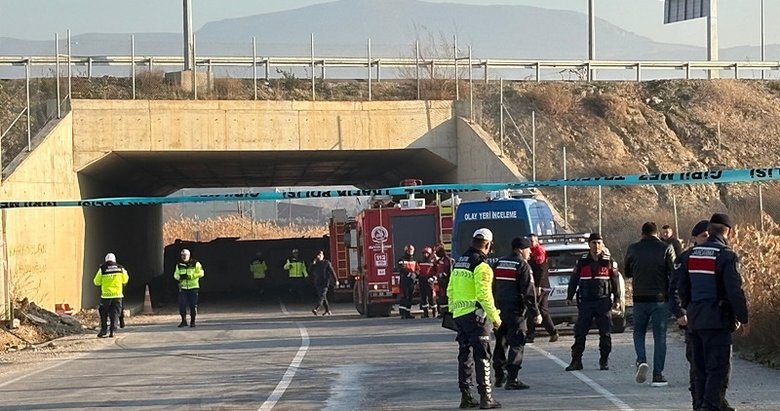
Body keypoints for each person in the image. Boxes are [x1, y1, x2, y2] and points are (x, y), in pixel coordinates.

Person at [678, 213, 749, 411]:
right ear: (729, 232)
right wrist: (743, 318)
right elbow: (734, 291)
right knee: (718, 370)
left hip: (695, 320)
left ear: (709, 230)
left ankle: (700, 405)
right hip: (718, 321)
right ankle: (709, 407)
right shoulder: (726, 255)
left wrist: (689, 309)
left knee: (699, 370)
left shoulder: (689, 255)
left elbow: (681, 288)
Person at [670, 220, 726, 410]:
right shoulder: (686, 258)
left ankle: (717, 401)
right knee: (698, 367)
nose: (707, 239)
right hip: (693, 319)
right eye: (703, 236)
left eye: (708, 235)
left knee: (718, 367)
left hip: (714, 318)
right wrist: (680, 311)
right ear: (695, 238)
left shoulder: (719, 255)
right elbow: (675, 289)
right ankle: (699, 403)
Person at [448, 228, 502, 409]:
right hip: (477, 317)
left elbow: (450, 290)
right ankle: (486, 397)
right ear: (487, 244)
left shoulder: (459, 263)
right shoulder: (482, 266)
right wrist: (495, 318)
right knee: (483, 356)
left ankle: (466, 396)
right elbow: (484, 295)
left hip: (460, 316)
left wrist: (453, 311)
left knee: (465, 355)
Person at [624, 222, 676, 386]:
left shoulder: (633, 249)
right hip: (660, 299)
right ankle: (658, 375)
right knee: (660, 337)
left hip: (639, 298)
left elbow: (627, 272)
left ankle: (641, 360)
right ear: (656, 233)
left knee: (639, 332)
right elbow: (673, 272)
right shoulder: (666, 248)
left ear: (642, 233)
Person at [565, 233, 621, 371]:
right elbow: (574, 279)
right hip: (586, 302)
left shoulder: (609, 261)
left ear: (602, 244)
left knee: (605, 332)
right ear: (589, 245)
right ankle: (576, 361)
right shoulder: (582, 261)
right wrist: (569, 296)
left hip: (603, 302)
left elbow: (615, 281)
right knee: (580, 332)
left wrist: (617, 299)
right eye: (593, 243)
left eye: (598, 243)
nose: (596, 246)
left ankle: (604, 360)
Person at [492, 237, 542, 390]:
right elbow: (528, 292)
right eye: (528, 250)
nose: (530, 253)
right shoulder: (522, 265)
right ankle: (512, 378)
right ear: (520, 250)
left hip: (498, 309)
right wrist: (536, 312)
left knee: (500, 342)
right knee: (517, 342)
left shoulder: (499, 263)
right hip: (515, 310)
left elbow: (491, 286)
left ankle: (499, 375)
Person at [526, 233, 559, 343]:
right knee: (541, 310)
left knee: (533, 310)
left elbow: (541, 270)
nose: (531, 243)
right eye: (529, 241)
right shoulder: (531, 252)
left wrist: (538, 286)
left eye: (532, 241)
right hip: (538, 285)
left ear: (537, 241)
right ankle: (552, 332)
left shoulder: (538, 252)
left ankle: (530, 335)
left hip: (541, 286)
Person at [93, 253, 129, 338]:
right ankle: (112, 330)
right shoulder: (121, 268)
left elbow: (96, 282)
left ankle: (104, 330)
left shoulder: (102, 269)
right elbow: (125, 280)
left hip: (106, 296)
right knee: (115, 313)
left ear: (106, 260)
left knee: (103, 313)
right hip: (117, 295)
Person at [174, 248, 205, 328]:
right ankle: (183, 321)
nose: (184, 257)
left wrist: (192, 276)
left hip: (193, 287)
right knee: (182, 304)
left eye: (185, 255)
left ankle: (192, 321)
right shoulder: (179, 265)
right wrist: (180, 277)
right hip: (183, 288)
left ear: (189, 255)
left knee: (193, 305)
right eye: (182, 255)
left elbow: (201, 273)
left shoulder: (195, 263)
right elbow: (175, 275)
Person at [311, 250, 338, 316]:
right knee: (323, 296)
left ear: (323, 256)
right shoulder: (316, 264)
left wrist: (336, 280)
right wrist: (313, 264)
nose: (319, 257)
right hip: (318, 282)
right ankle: (327, 310)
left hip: (325, 282)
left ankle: (316, 308)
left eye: (320, 255)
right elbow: (311, 270)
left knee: (322, 295)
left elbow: (332, 272)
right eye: (318, 255)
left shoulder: (326, 263)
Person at [397, 244, 418, 319]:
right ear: (406, 251)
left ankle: (408, 312)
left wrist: (415, 275)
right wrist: (409, 274)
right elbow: (401, 269)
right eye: (409, 251)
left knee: (410, 297)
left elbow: (417, 269)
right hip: (404, 280)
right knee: (404, 296)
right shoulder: (401, 259)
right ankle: (403, 314)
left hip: (411, 281)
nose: (410, 252)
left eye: (411, 250)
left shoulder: (414, 260)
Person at [433, 245, 452, 318]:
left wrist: (442, 275)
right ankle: (442, 312)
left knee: (445, 297)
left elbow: (447, 270)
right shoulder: (440, 260)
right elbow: (436, 268)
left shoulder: (446, 259)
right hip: (440, 282)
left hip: (445, 282)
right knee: (441, 297)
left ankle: (446, 312)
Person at [417, 246, 436, 318]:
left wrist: (433, 278)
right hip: (422, 280)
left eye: (427, 253)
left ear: (430, 254)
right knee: (423, 297)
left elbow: (436, 271)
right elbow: (417, 270)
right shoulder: (419, 261)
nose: (425, 255)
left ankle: (434, 312)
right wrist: (417, 277)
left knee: (431, 297)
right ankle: (426, 313)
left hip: (429, 281)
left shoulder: (432, 262)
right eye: (424, 253)